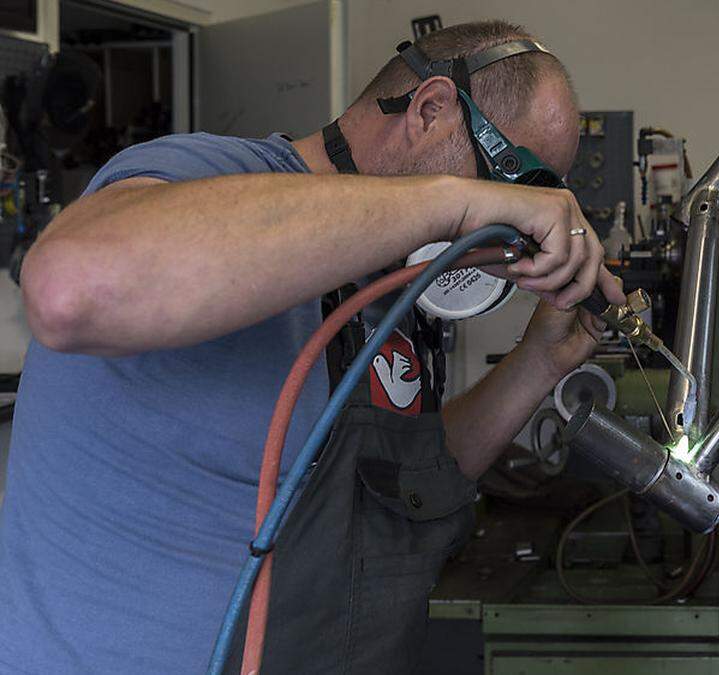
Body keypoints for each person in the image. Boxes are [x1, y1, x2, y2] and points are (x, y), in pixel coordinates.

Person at [0, 21, 622, 673]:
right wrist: (456, 203)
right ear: (432, 110)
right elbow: (69, 288)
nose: (513, 234)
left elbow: (404, 487)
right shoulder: (202, 176)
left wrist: (540, 360)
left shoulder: (387, 286)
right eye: (514, 184)